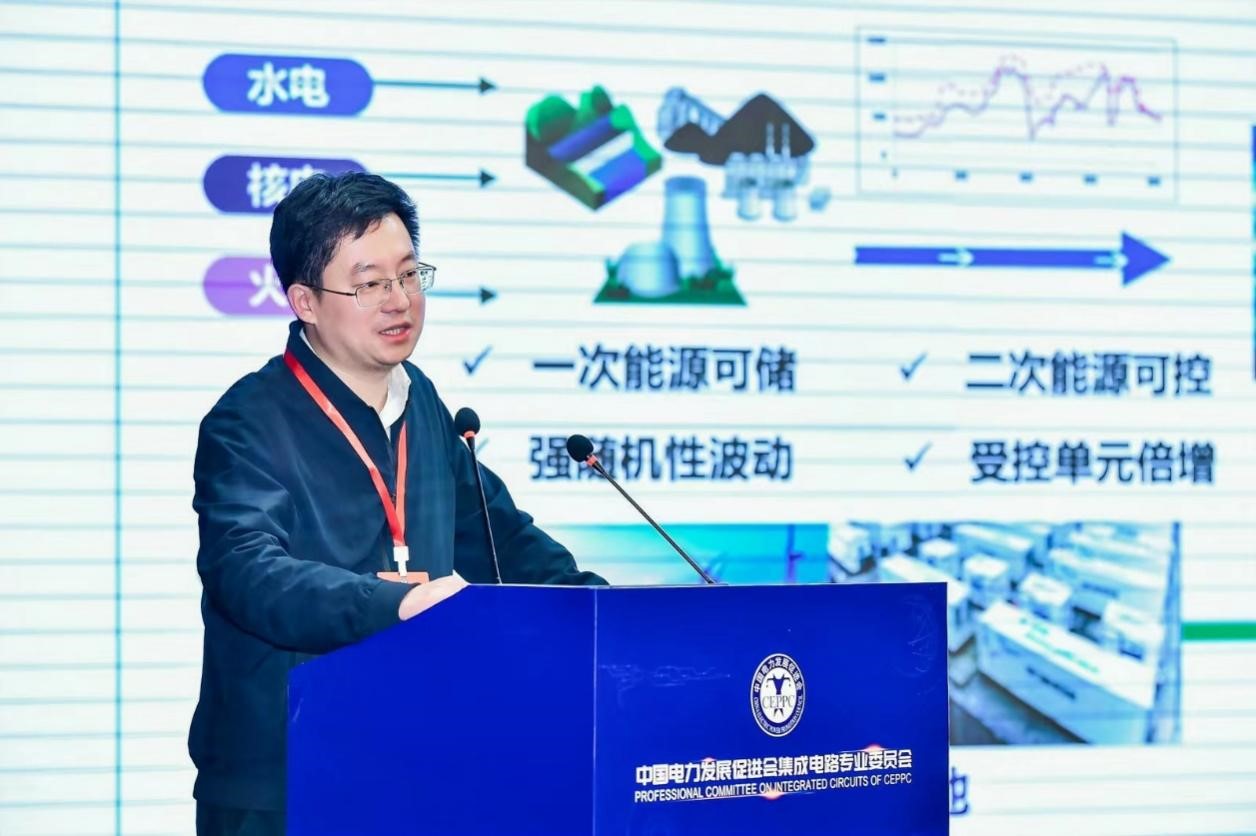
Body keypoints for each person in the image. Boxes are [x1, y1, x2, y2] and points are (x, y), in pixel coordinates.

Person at [189, 172, 605, 835]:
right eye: (370, 284)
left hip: (413, 760)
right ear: (305, 301)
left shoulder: (425, 405)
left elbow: (501, 541)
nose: (400, 300)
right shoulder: (248, 420)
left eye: (410, 275)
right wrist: (395, 604)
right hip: (286, 778)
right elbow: (247, 572)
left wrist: (608, 611)